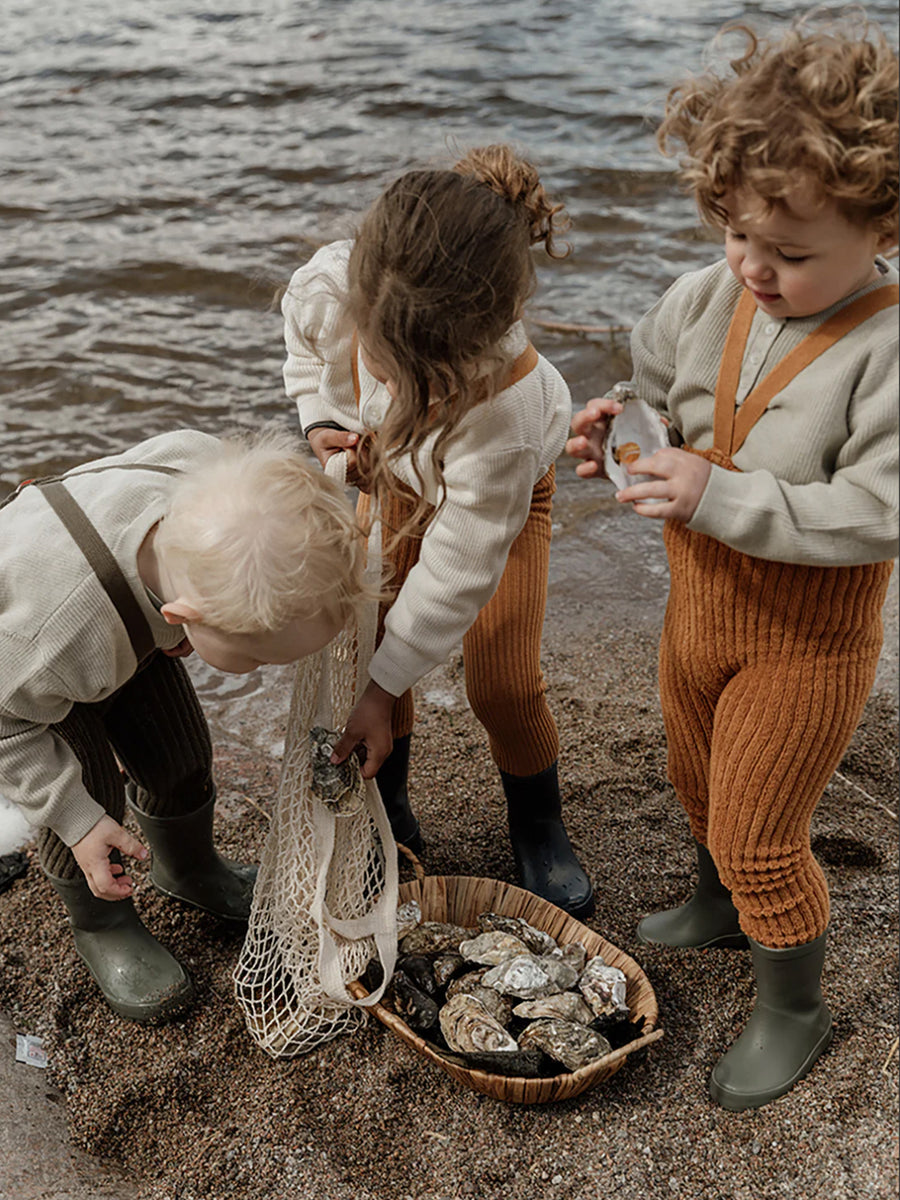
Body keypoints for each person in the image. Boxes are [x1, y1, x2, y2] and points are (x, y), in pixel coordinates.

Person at [567, 15, 898, 1110]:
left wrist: (722, 493)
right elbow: (661, 388)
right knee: (697, 776)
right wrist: (622, 428)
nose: (754, 267)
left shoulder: (885, 349)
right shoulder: (708, 294)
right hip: (698, 610)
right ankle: (713, 897)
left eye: (792, 254)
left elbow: (876, 510)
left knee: (763, 832)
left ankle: (792, 1003)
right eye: (735, 234)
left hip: (805, 640)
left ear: (882, 222)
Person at [281, 144, 594, 919]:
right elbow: (304, 351)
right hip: (389, 480)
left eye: (403, 379)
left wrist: (384, 688)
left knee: (504, 680)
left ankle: (538, 822)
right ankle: (393, 813)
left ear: (468, 348)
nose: (382, 383)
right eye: (378, 365)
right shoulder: (332, 288)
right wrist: (324, 421)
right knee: (371, 642)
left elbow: (460, 564)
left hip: (499, 508)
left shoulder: (508, 409)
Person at [0, 428, 370, 1021]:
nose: (256, 669)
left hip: (127, 621)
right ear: (184, 617)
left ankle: (189, 868)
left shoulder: (203, 479)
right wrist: (74, 819)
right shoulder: (48, 638)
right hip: (22, 687)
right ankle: (102, 921)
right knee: (88, 799)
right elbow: (5, 725)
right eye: (252, 657)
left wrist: (176, 633)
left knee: (181, 757)